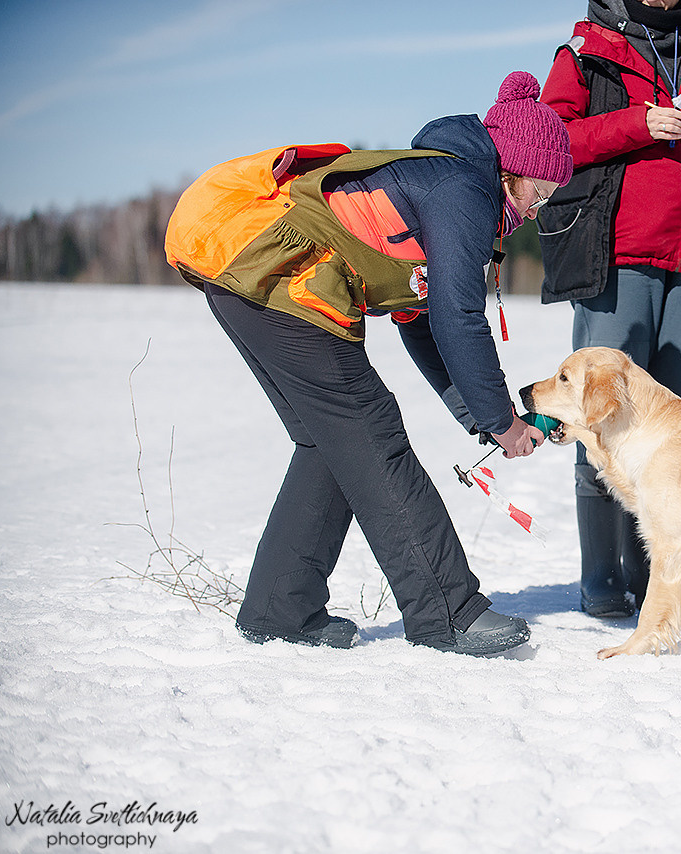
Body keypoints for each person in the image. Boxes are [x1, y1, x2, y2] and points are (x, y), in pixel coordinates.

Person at [164, 71, 571, 655]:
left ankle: (280, 611)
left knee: (331, 440)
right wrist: (502, 421)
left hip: (249, 278)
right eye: (543, 191)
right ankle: (448, 614)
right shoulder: (464, 190)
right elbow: (459, 317)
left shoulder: (445, 183)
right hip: (279, 281)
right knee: (371, 430)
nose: (539, 208)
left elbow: (424, 322)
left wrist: (483, 418)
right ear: (515, 170)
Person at [537, 0, 681, 618]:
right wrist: (636, 125)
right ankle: (602, 580)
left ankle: (665, 581)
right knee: (599, 416)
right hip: (618, 256)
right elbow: (550, 143)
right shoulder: (587, 52)